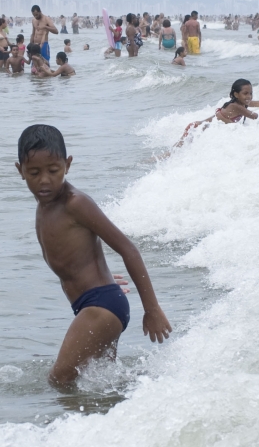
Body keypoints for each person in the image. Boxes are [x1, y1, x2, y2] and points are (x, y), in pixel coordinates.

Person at [15, 124, 171, 389]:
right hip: (98, 302)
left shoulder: (75, 203)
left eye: (53, 171)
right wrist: (106, 280)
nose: (44, 180)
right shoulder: (46, 205)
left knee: (59, 379)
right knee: (104, 387)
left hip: (101, 307)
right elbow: (81, 253)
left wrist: (152, 309)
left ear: (68, 165)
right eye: (34, 173)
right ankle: (159, 396)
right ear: (20, 171)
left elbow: (128, 248)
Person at [178, 79, 259, 144]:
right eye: (245, 93)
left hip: (198, 128)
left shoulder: (242, 103)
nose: (249, 96)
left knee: (176, 153)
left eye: (251, 93)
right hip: (195, 128)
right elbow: (258, 117)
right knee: (173, 155)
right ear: (236, 94)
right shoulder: (236, 106)